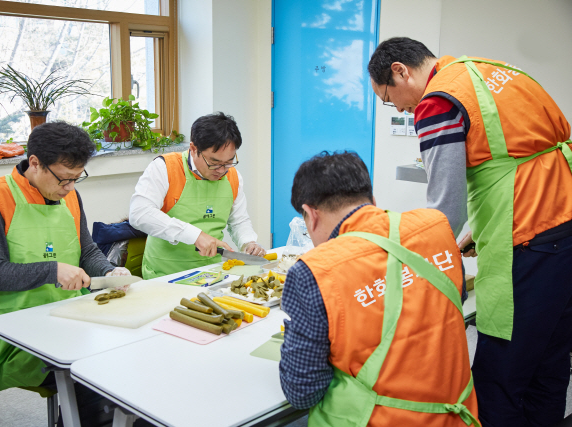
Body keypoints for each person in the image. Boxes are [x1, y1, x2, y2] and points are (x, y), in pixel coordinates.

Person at [368, 37, 572, 426]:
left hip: (527, 243)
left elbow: (446, 209)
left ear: (400, 70)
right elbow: (519, 158)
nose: (396, 108)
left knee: (500, 379)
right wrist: (477, 234)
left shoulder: (438, 102)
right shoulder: (491, 71)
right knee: (549, 365)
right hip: (564, 229)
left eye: (387, 97)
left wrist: (410, 264)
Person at [279, 151, 478, 427]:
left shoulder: (315, 271)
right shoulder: (437, 227)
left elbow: (302, 393)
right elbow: (453, 300)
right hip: (459, 415)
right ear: (372, 202)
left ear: (311, 216)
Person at [0, 121, 133, 426]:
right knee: (94, 377)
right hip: (16, 331)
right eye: (64, 179)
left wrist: (110, 271)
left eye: (76, 178)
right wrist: (52, 270)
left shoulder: (69, 195)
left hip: (70, 318)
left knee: (127, 359)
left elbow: (87, 252)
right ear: (35, 163)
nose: (70, 188)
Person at [129, 112, 265, 279]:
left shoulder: (233, 176)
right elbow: (139, 214)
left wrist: (248, 242)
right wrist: (195, 236)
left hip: (213, 273)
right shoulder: (164, 168)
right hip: (165, 274)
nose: (222, 170)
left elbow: (239, 221)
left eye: (229, 162)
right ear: (193, 149)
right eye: (214, 163)